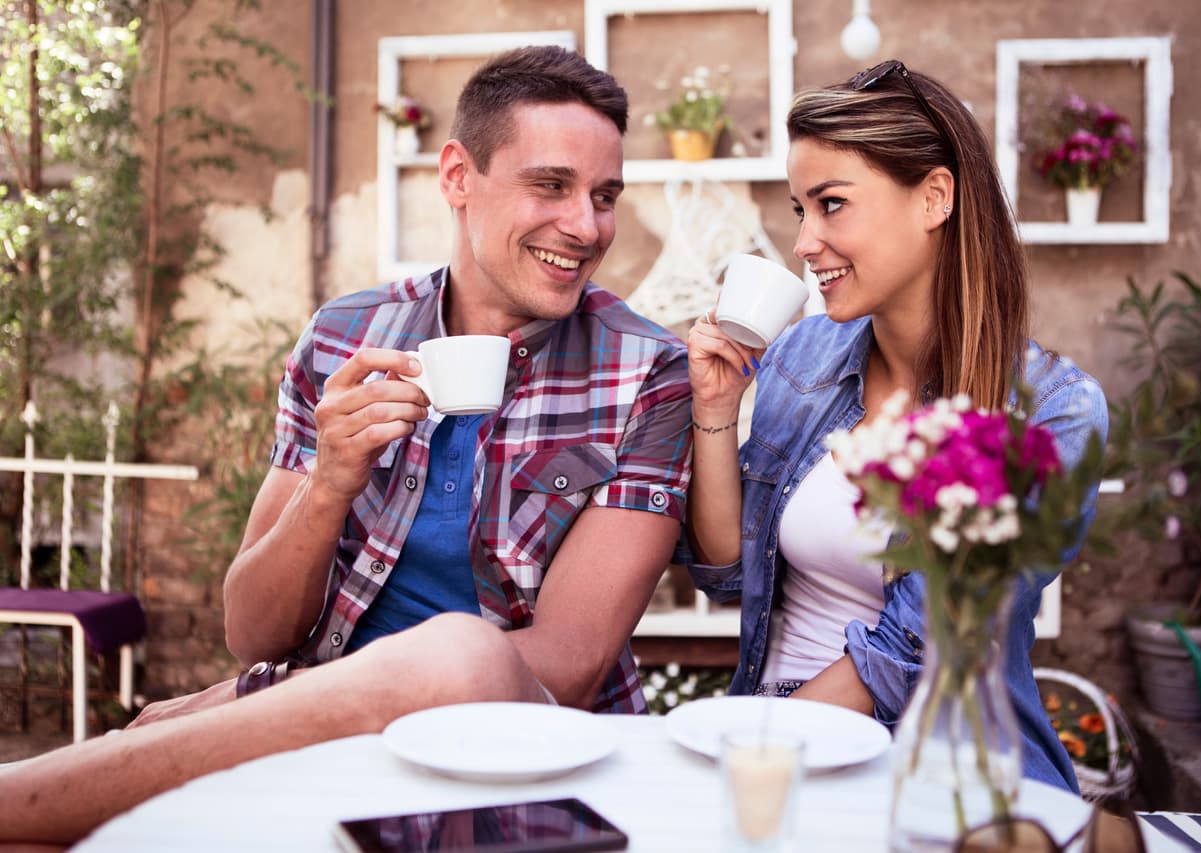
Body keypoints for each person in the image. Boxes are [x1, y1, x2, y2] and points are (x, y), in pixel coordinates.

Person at [1, 45, 691, 845]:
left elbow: (567, 667)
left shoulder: (647, 371)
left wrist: (247, 704)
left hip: (520, 768)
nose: (586, 226)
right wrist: (328, 481)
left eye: (604, 195)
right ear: (458, 177)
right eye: (552, 185)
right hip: (320, 756)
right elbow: (253, 631)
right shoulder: (343, 339)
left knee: (461, 655)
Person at [681, 60, 1107, 791]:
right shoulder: (802, 357)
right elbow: (725, 571)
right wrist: (715, 412)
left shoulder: (1051, 413)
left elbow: (913, 651)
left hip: (933, 774)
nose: (805, 242)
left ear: (934, 197)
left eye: (831, 204)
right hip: (781, 742)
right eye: (799, 210)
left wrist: (751, 759)